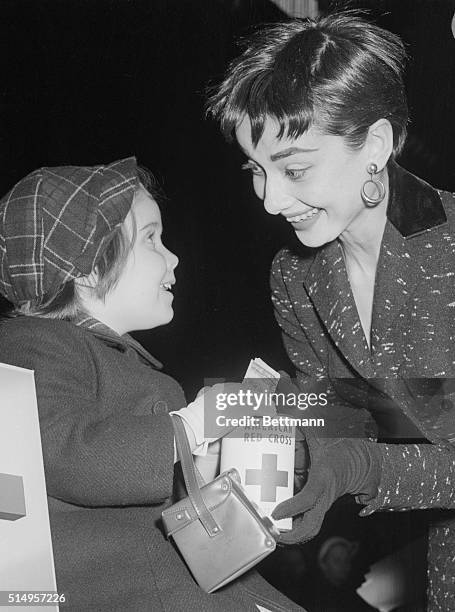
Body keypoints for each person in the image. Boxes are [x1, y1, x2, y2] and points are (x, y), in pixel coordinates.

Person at [207, 10, 455, 611]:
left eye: (294, 168)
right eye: (257, 171)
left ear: (373, 145)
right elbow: (358, 412)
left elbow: (395, 441)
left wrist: (356, 470)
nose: (270, 201)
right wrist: (230, 417)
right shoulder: (295, 275)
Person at [0, 158, 304, 612]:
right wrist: (191, 426)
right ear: (86, 266)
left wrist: (245, 473)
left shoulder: (140, 374)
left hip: (184, 587)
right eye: (150, 238)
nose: (173, 256)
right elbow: (64, 451)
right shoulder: (32, 345)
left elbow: (182, 507)